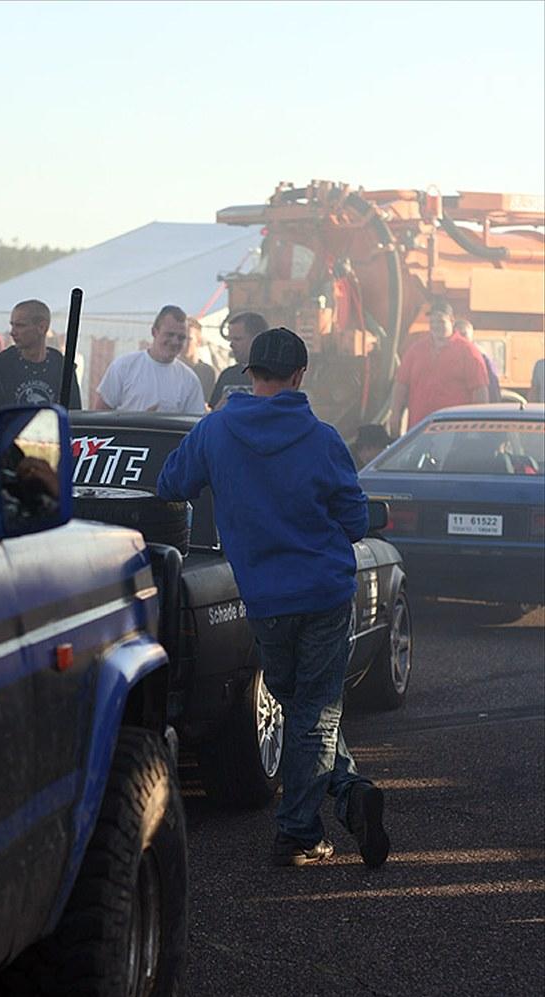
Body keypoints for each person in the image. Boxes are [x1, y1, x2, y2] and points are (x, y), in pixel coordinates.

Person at [157, 327, 390, 868]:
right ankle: (304, 829)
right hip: (325, 593)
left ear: (250, 372)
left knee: (305, 712)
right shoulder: (324, 438)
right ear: (299, 376)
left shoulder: (216, 430)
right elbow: (356, 519)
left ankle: (346, 801)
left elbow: (171, 484)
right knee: (315, 714)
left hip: (263, 600)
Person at [0, 299, 81, 414]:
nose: (13, 332)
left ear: (42, 327)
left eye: (20, 326)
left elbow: (75, 418)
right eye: (12, 325)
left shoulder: (62, 369)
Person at [390, 300, 489, 435]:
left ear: (452, 321)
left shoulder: (468, 351)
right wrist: (395, 415)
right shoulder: (416, 350)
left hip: (453, 431)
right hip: (419, 429)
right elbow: (401, 384)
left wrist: (478, 427)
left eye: (441, 321)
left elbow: (480, 390)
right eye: (432, 322)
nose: (436, 326)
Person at [93, 305, 205, 414]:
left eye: (181, 337)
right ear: (154, 332)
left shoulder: (190, 380)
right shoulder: (123, 366)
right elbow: (99, 414)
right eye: (169, 335)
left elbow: (195, 425)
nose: (175, 342)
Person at [209, 311, 268, 409]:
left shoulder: (275, 376)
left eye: (237, 339)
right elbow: (213, 413)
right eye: (230, 340)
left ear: (257, 339)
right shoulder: (227, 375)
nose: (231, 345)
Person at [454, 319, 501, 402]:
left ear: (471, 336)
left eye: (463, 334)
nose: (460, 337)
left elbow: (492, 386)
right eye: (456, 334)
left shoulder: (479, 356)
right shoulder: (451, 354)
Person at [181, 317, 217, 403]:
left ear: (199, 341)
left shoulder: (206, 372)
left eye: (189, 339)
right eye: (181, 338)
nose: (183, 343)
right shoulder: (172, 370)